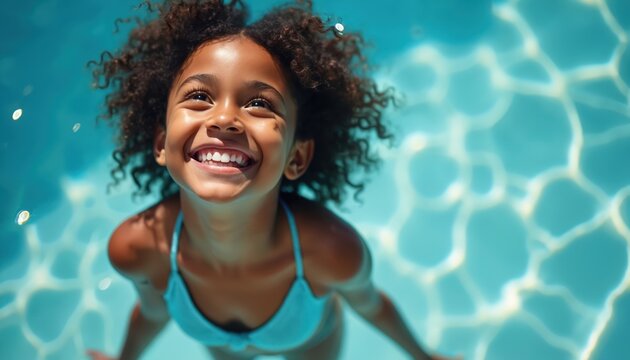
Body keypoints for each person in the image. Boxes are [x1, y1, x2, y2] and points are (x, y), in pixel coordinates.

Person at [86, 1, 458, 359]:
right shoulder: (138, 249)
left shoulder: (331, 252)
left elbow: (372, 306)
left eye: (260, 104)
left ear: (296, 157)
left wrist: (424, 358)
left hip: (310, 347)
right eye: (199, 96)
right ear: (161, 143)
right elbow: (153, 312)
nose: (224, 120)